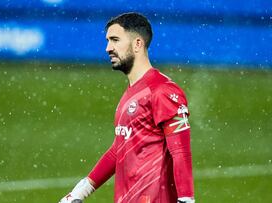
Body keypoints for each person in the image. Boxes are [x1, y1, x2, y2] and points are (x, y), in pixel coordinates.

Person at [59, 12, 195, 203]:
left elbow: (180, 151)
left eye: (115, 40)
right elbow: (119, 149)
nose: (108, 48)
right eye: (107, 41)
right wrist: (81, 191)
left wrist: (186, 200)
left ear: (138, 44)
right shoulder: (131, 93)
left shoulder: (162, 91)